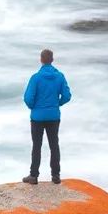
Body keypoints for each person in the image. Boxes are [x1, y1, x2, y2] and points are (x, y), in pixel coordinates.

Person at [22, 47, 71, 184]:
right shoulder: (60, 76)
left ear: (41, 60)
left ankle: (34, 176)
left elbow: (28, 98)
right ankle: (56, 176)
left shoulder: (36, 78)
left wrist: (34, 108)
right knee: (54, 145)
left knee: (36, 146)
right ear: (52, 60)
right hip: (54, 116)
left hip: (37, 117)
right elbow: (67, 96)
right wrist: (57, 104)